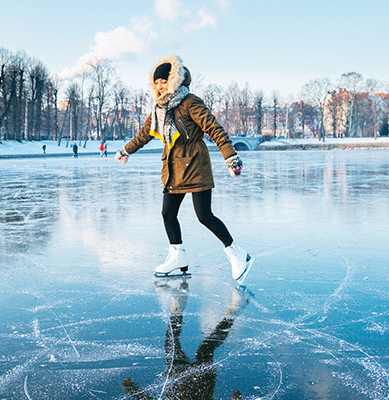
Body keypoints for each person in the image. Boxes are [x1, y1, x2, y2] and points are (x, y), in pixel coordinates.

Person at [115, 55, 252, 285]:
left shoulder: (190, 102)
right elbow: (144, 133)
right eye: (156, 82)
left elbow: (214, 129)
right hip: (173, 168)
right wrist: (126, 150)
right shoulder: (159, 108)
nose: (160, 86)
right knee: (168, 214)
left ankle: (237, 253)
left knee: (204, 216)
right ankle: (178, 256)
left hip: (196, 165)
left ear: (174, 80)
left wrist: (231, 157)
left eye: (164, 81)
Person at [121, 279, 249, 400]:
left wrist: (132, 389)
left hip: (178, 376)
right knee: (205, 349)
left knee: (172, 343)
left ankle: (177, 308)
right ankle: (233, 311)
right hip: (201, 382)